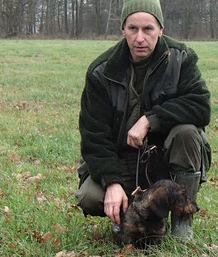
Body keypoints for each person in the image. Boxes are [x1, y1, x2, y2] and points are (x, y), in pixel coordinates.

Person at [75, 0, 211, 240]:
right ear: (123, 30)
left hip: (164, 161)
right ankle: (130, 218)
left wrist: (152, 119)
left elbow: (201, 106)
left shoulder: (181, 59)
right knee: (90, 197)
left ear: (161, 29)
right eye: (132, 29)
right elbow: (94, 136)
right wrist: (112, 182)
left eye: (148, 29)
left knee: (187, 132)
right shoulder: (101, 71)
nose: (140, 38)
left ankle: (182, 223)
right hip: (121, 161)